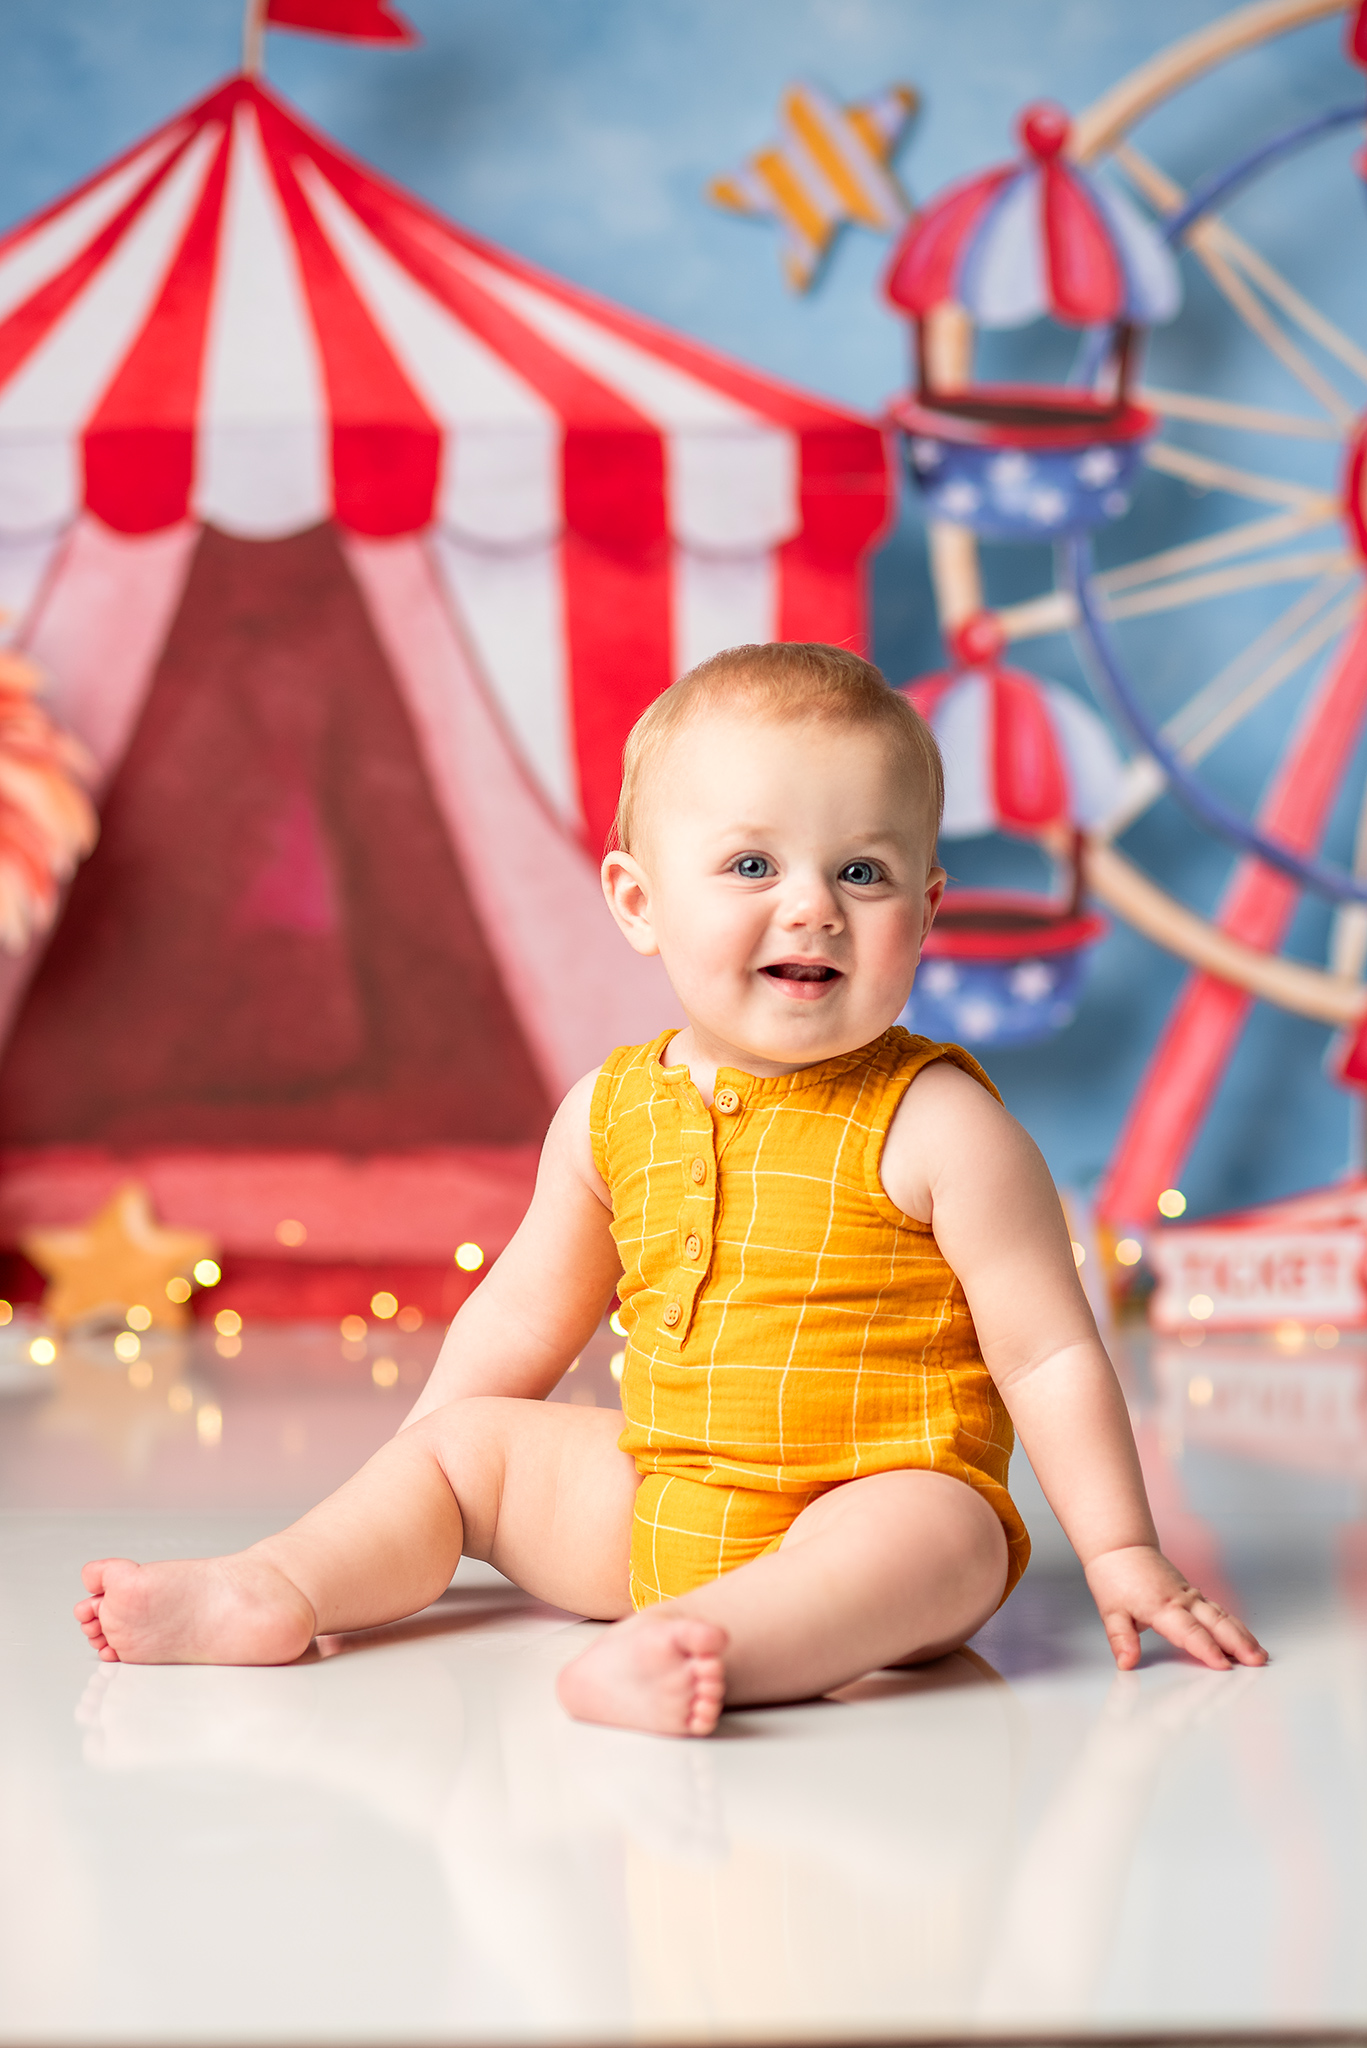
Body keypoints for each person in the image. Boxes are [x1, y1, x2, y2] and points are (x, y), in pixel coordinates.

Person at [75, 643, 1266, 1735]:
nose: (810, 904)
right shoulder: (607, 1110)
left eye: (862, 870)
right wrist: (414, 1477)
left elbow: (1048, 1353)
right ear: (638, 902)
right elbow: (524, 1312)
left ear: (925, 913)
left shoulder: (939, 1121)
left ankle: (704, 1648)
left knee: (939, 1532)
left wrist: (1118, 1550)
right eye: (751, 863)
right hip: (657, 1499)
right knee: (464, 1449)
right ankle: (277, 1583)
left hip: (861, 1512)